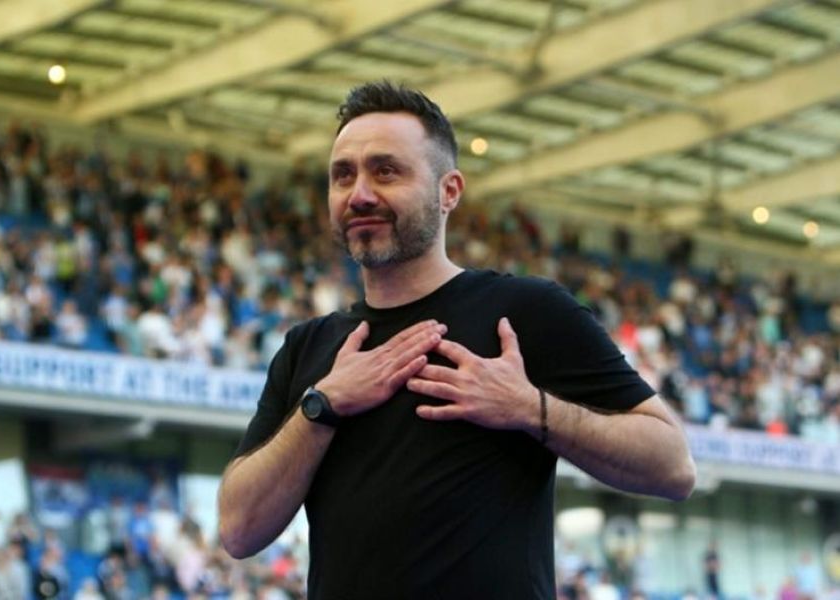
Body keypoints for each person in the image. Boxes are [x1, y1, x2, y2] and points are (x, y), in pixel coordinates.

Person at [217, 81, 696, 599]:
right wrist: (323, 405)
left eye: (386, 171)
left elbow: (673, 466)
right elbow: (239, 530)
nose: (359, 194)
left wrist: (528, 408)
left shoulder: (525, 312)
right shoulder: (307, 349)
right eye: (343, 175)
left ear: (449, 192)